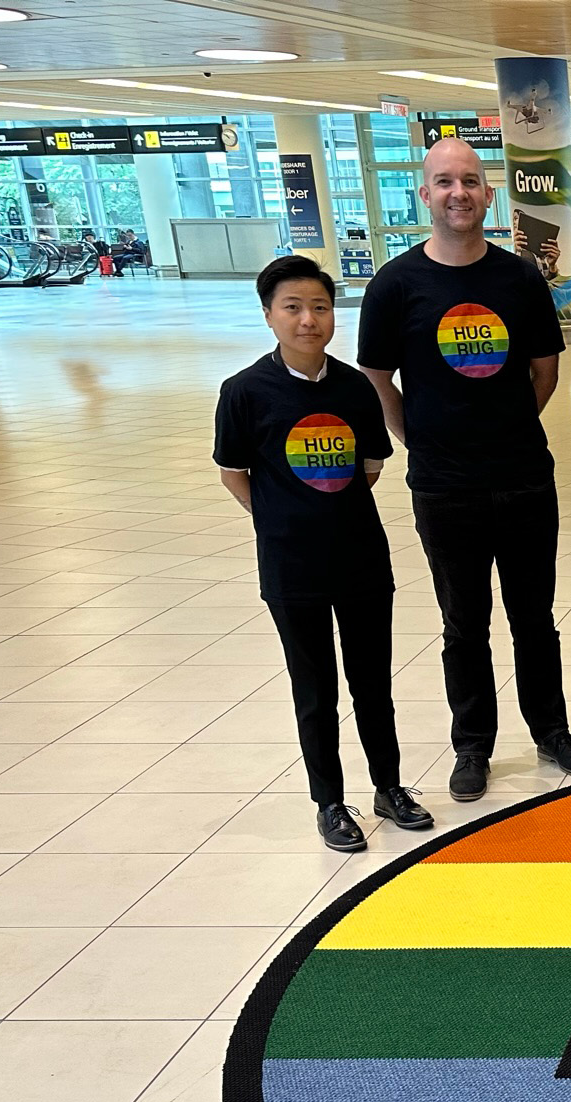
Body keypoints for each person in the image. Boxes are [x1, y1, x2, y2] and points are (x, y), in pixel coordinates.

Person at [358, 136, 571, 801]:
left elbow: (545, 370)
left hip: (523, 477)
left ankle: (551, 731)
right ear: (425, 193)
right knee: (464, 625)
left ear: (488, 194)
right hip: (444, 487)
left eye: (469, 181)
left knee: (534, 618)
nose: (457, 193)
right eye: (444, 182)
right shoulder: (396, 285)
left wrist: (509, 424)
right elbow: (377, 376)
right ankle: (473, 747)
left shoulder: (518, 278)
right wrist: (418, 438)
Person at [214, 256, 434, 852]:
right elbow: (235, 473)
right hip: (292, 567)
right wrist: (284, 519)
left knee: (373, 684)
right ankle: (330, 803)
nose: (308, 320)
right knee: (315, 689)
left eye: (319, 307)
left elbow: (370, 467)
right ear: (269, 315)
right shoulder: (244, 392)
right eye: (292, 307)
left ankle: (389, 788)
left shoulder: (355, 389)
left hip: (361, 558)